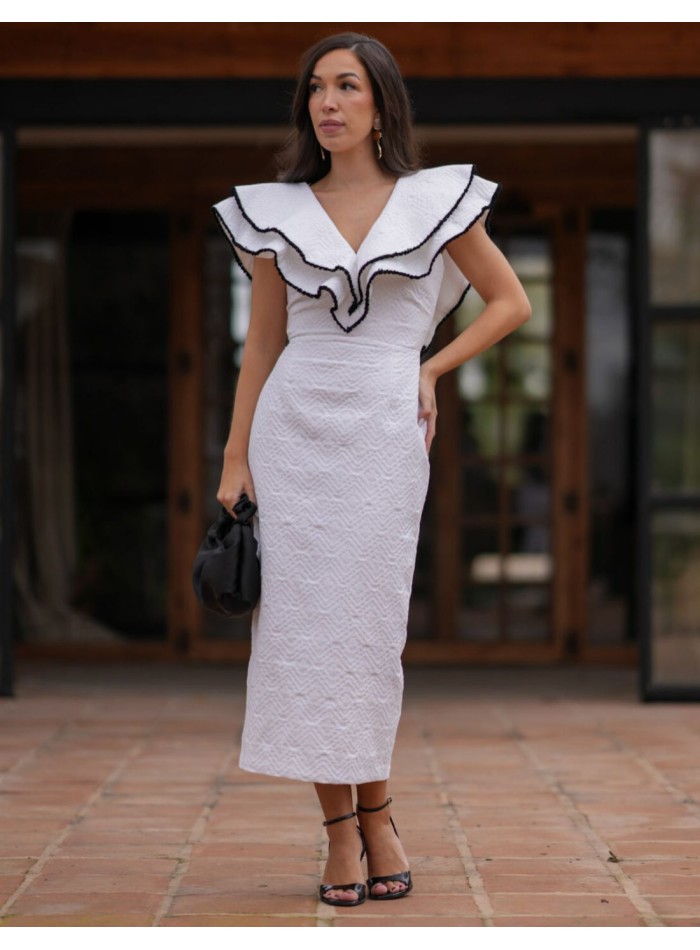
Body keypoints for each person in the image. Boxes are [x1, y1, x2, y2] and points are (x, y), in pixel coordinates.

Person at [212, 32, 531, 907]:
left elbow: (511, 302)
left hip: (385, 430)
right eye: (317, 89)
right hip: (294, 429)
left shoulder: (435, 202)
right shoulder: (278, 209)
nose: (329, 103)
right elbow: (263, 341)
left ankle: (378, 810)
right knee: (300, 635)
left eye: (348, 86)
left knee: (365, 632)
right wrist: (236, 455)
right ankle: (341, 833)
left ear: (382, 103)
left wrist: (429, 368)